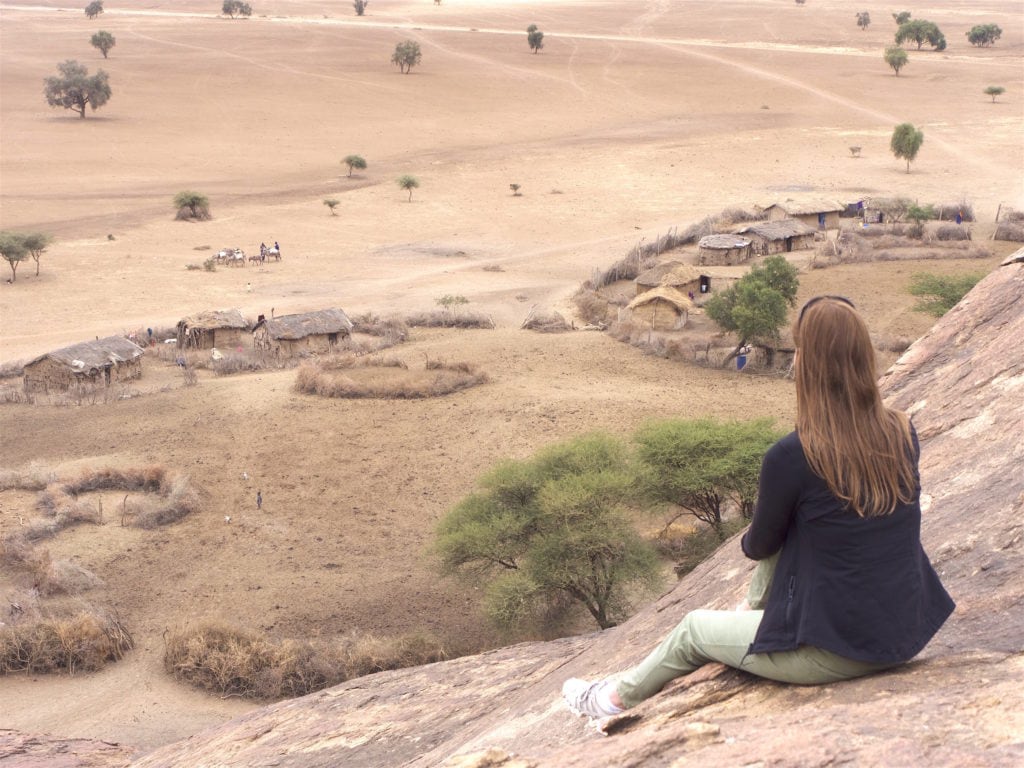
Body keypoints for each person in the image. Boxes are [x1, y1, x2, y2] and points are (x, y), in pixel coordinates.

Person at [562, 295, 955, 721]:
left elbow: (760, 544)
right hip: (905, 629)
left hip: (838, 650)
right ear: (863, 358)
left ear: (809, 364)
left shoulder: (794, 455)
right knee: (802, 533)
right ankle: (749, 616)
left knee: (694, 628)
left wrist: (764, 529)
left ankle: (612, 701)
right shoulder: (901, 429)